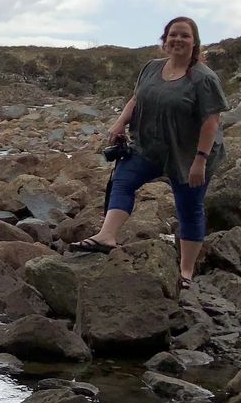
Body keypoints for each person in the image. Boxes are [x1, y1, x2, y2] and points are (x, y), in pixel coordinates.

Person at [70, 16, 227, 290]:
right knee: (123, 180)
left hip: (189, 154)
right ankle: (107, 236)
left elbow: (211, 121)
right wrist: (120, 122)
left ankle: (186, 272)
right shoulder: (151, 68)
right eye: (173, 35)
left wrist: (200, 160)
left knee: (189, 208)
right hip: (149, 146)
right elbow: (136, 98)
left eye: (184, 36)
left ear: (194, 42)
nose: (178, 40)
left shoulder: (204, 78)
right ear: (164, 40)